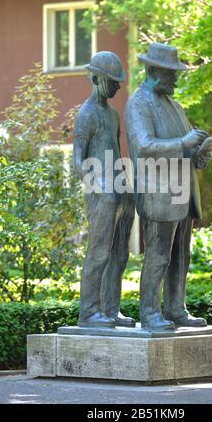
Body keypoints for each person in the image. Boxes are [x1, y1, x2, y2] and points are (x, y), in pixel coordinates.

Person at [125, 42, 212, 331]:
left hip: (183, 193)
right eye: (170, 73)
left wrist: (199, 153)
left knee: (181, 255)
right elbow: (144, 145)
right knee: (158, 255)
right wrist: (183, 143)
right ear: (152, 70)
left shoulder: (174, 105)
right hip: (158, 193)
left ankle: (176, 308)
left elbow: (185, 150)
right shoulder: (139, 102)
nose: (176, 78)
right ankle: (150, 313)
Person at [74, 51, 135, 328]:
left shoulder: (112, 115)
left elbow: (116, 150)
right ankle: (89, 313)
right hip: (101, 194)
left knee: (120, 254)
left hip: (121, 191)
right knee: (99, 253)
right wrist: (99, 189)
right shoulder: (86, 114)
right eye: (113, 81)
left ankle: (110, 309)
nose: (118, 86)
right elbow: (77, 160)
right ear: (97, 78)